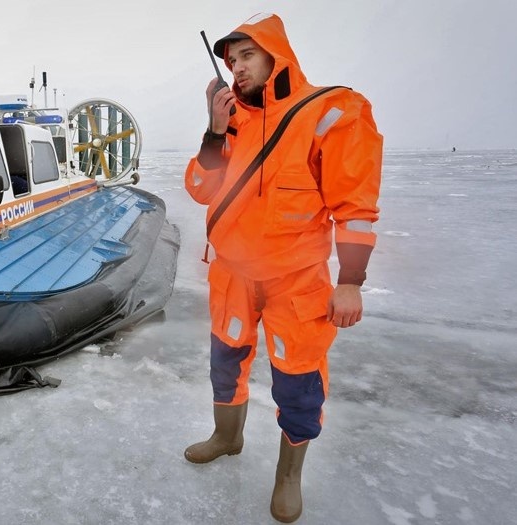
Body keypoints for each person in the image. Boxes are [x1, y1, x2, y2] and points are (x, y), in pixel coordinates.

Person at [183, 13, 382, 523]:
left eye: (248, 55)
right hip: (232, 274)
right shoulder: (233, 124)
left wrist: (351, 283)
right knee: (225, 363)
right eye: (231, 61)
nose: (238, 68)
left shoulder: (330, 110)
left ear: (277, 54)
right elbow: (201, 189)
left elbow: (354, 206)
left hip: (297, 278)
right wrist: (213, 130)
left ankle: (288, 476)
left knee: (298, 381)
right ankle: (228, 438)